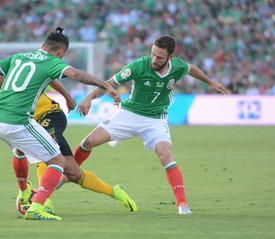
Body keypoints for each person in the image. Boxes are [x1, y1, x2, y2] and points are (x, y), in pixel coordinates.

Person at [0, 27, 121, 221]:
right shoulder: (52, 62)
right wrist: (105, 85)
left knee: (33, 156)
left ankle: (26, 193)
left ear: (42, 46)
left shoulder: (19, 57)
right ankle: (39, 205)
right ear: (61, 53)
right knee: (57, 162)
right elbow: (76, 75)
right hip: (20, 120)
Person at [74, 34, 230, 215]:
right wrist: (89, 97)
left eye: (160, 57)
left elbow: (191, 69)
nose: (154, 60)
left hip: (155, 119)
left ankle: (182, 204)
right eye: (153, 54)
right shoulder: (139, 66)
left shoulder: (177, 66)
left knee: (165, 154)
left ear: (170, 57)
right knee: (89, 141)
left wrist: (210, 82)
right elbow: (109, 83)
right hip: (129, 114)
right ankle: (68, 173)